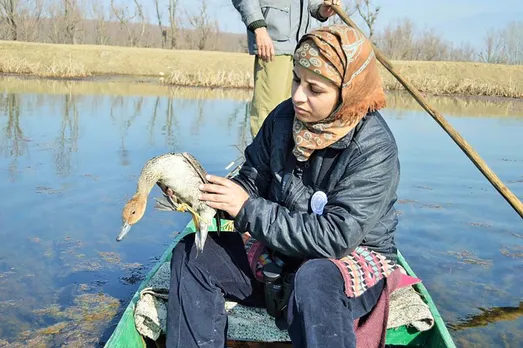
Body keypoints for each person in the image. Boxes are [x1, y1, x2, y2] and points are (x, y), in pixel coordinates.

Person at [164, 24, 406, 348]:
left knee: (314, 278)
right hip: (280, 249)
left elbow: (335, 239)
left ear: (346, 93)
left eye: (314, 89)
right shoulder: (282, 119)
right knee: (192, 254)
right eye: (296, 79)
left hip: (347, 259)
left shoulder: (374, 148)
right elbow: (252, 179)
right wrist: (202, 196)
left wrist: (247, 209)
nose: (297, 96)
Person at [231, 0, 340, 137]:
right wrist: (259, 28)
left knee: (294, 112)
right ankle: (261, 157)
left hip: (300, 49)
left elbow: (310, 4)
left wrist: (321, 9)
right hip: (272, 46)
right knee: (268, 113)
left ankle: (284, 157)